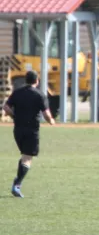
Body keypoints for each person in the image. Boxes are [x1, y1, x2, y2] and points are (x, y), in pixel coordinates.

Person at [2, 70, 55, 198]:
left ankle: (17, 181)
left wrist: (14, 116)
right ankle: (17, 185)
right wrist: (52, 121)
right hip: (32, 130)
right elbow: (46, 114)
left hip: (18, 130)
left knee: (24, 156)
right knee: (27, 158)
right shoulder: (39, 95)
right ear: (37, 81)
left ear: (26, 80)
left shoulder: (17, 92)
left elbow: (5, 107)